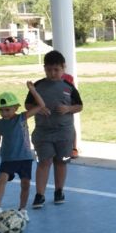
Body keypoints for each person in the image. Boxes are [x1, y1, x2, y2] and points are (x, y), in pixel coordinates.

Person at [25, 50, 83, 209]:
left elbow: (79, 106)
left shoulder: (68, 87)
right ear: (44, 68)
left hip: (64, 133)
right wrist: (38, 108)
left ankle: (59, 191)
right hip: (43, 133)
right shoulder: (38, 86)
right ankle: (40, 195)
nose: (52, 73)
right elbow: (28, 105)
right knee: (44, 162)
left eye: (56, 70)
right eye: (49, 70)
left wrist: (68, 108)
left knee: (61, 162)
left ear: (63, 68)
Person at [0, 82, 46, 221]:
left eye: (7, 110)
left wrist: (33, 90)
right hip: (7, 159)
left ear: (15, 108)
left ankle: (22, 209)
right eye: (1, 110)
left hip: (24, 158)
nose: (4, 113)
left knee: (25, 184)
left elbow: (41, 106)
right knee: (1, 180)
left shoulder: (22, 118)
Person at [61, 72, 80, 159]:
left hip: (67, 106)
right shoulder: (48, 80)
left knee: (71, 127)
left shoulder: (68, 78)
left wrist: (70, 107)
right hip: (56, 108)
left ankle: (73, 148)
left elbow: (73, 92)